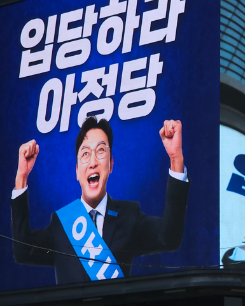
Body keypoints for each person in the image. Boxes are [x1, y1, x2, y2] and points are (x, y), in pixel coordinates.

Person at [10, 116, 190, 284]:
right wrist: (21, 177)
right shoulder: (62, 223)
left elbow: (169, 237)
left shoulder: (129, 216)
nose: (93, 162)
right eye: (85, 154)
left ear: (111, 164)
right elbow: (23, 252)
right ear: (77, 172)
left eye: (101, 150)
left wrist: (176, 158)